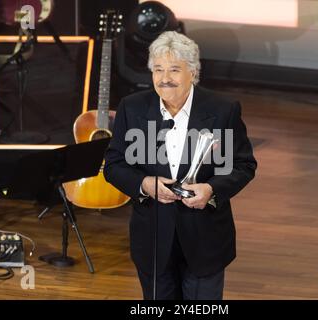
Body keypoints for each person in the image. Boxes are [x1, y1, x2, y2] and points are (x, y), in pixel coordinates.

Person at [104, 31, 257, 300]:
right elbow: (114, 165)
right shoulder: (132, 107)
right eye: (158, 70)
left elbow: (243, 164)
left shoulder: (223, 110)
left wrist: (211, 189)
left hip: (205, 237)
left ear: (193, 72)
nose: (165, 78)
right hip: (152, 237)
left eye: (174, 70)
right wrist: (144, 184)